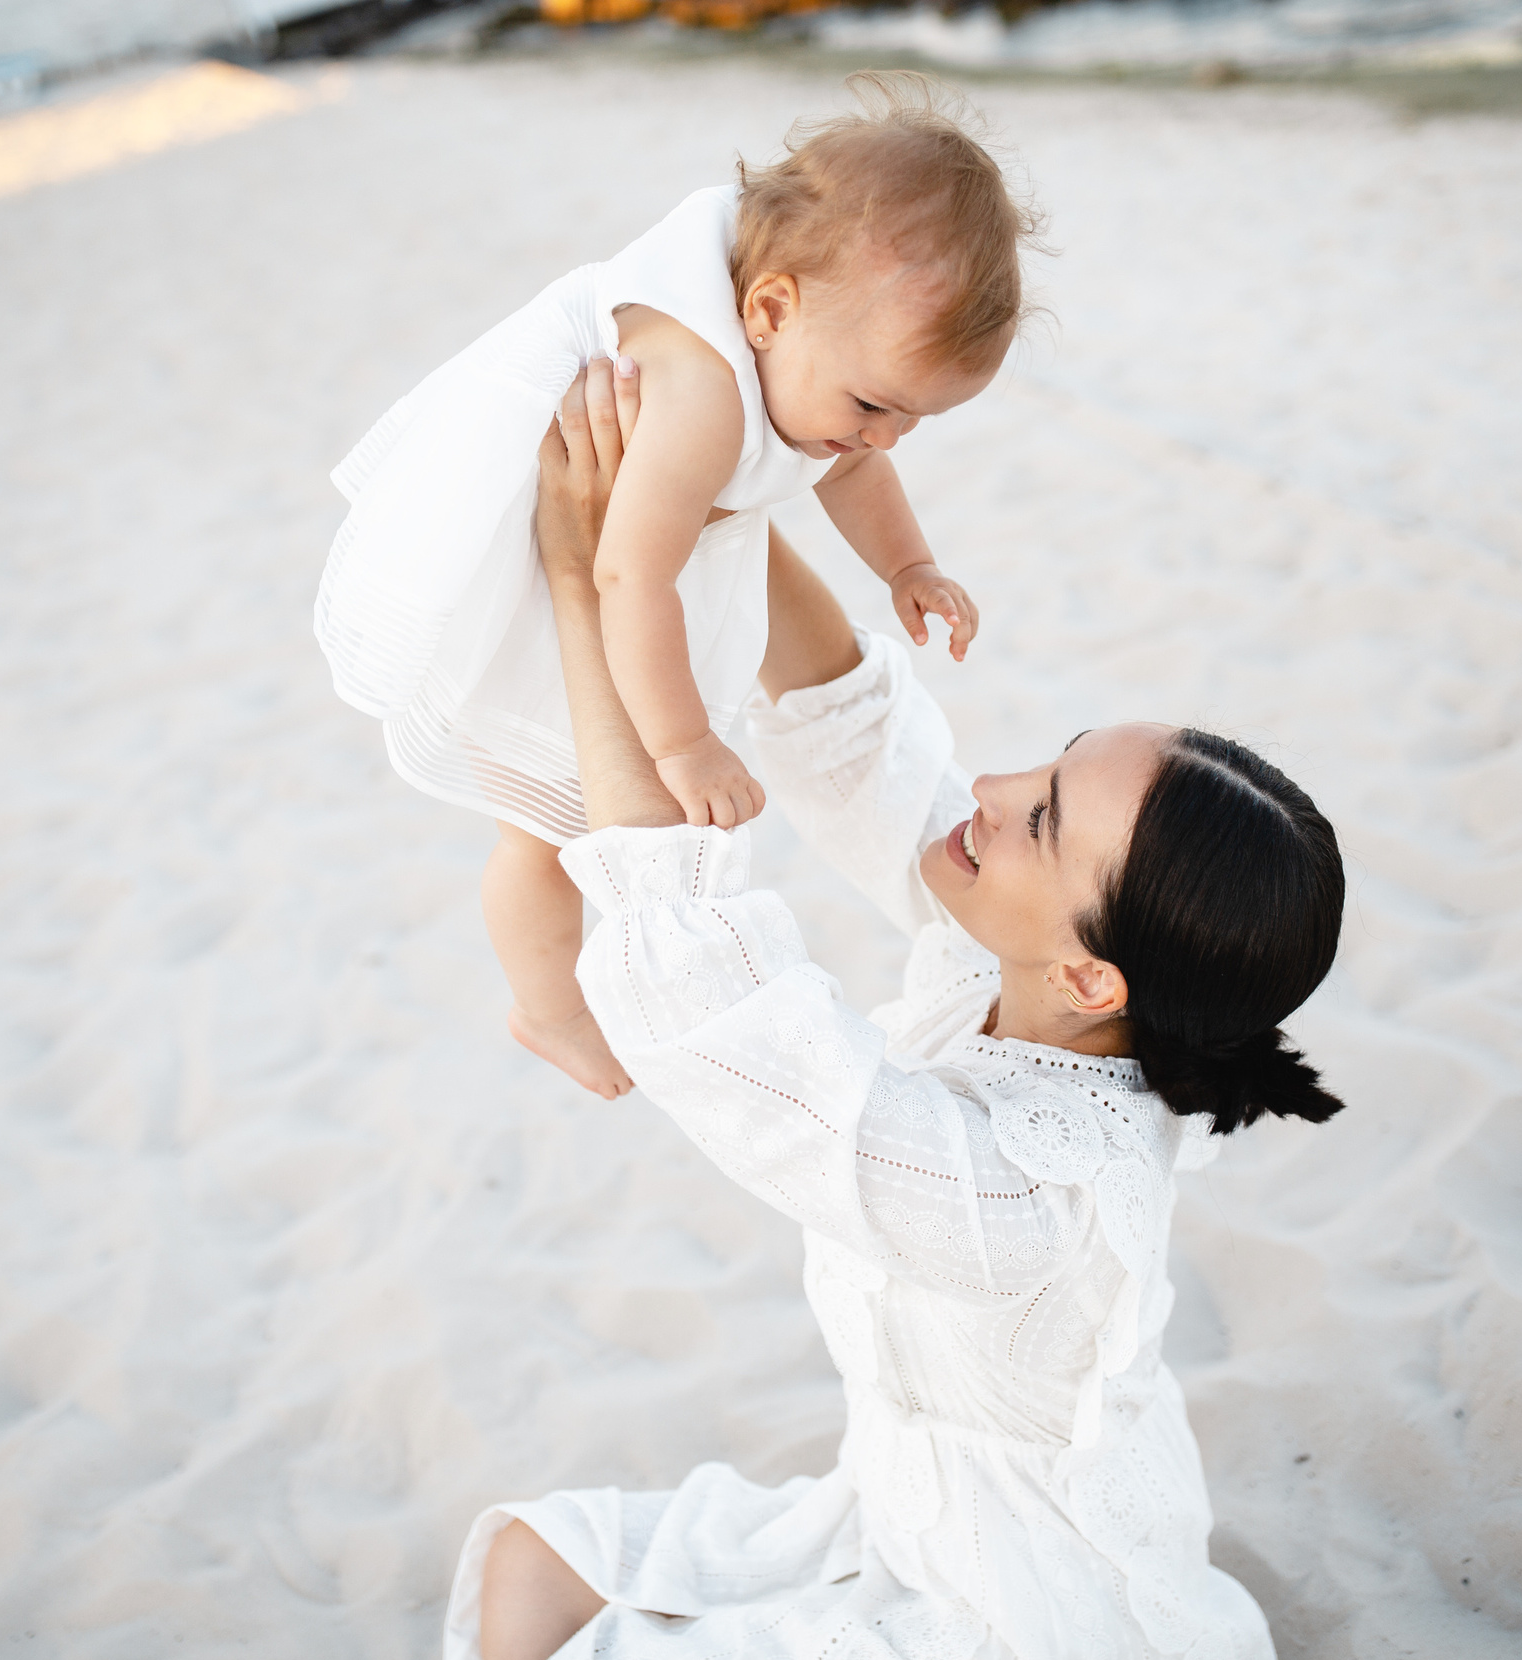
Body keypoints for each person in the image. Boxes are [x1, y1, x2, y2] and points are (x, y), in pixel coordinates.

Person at [444, 362, 1346, 1660]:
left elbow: (708, 991)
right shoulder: (1024, 984)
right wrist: (705, 505)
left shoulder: (1016, 1190)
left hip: (1008, 1637)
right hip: (901, 1515)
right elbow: (847, 726)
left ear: (1094, 976)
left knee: (547, 1646)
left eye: (1039, 817)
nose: (991, 786)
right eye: (1047, 759)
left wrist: (587, 587)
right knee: (533, 1553)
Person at [316, 73, 1039, 1102]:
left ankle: (554, 997)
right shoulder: (698, 393)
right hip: (556, 550)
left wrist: (907, 567)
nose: (881, 437)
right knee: (544, 825)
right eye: (874, 404)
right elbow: (626, 568)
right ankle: (548, 1007)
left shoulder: (813, 352)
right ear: (768, 309)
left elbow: (855, 470)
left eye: (913, 420)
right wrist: (683, 744)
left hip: (633, 550)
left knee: (560, 824)